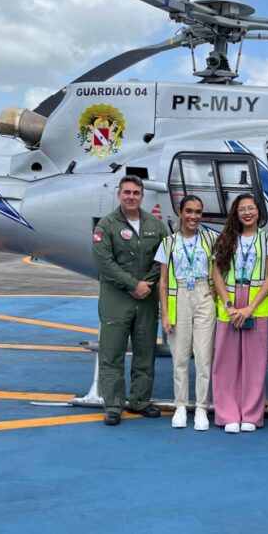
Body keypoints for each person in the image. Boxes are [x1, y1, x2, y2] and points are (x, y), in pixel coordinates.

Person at [91, 175, 167, 427]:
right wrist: (133, 284)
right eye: (127, 192)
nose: (131, 197)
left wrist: (146, 284)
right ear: (119, 195)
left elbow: (162, 260)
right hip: (116, 298)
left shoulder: (155, 225)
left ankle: (139, 401)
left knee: (145, 353)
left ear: (142, 196)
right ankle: (113, 405)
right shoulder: (106, 226)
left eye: (136, 193)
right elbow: (104, 262)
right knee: (112, 354)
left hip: (146, 298)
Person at [211, 193, 268, 433]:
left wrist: (250, 308)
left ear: (259, 212)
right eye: (242, 209)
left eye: (251, 208)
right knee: (225, 362)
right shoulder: (226, 239)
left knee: (255, 363)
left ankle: (250, 413)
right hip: (230, 304)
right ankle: (228, 413)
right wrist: (229, 305)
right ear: (236, 213)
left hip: (256, 305)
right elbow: (217, 274)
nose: (247, 212)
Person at [156, 195, 218, 431]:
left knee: (204, 356)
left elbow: (220, 270)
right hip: (178, 295)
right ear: (180, 213)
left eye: (198, 212)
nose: (193, 216)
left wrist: (214, 292)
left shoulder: (212, 238)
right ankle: (181, 405)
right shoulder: (169, 243)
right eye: (189, 211)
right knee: (180, 356)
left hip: (204, 294)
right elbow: (162, 282)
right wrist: (165, 314)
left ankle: (202, 406)